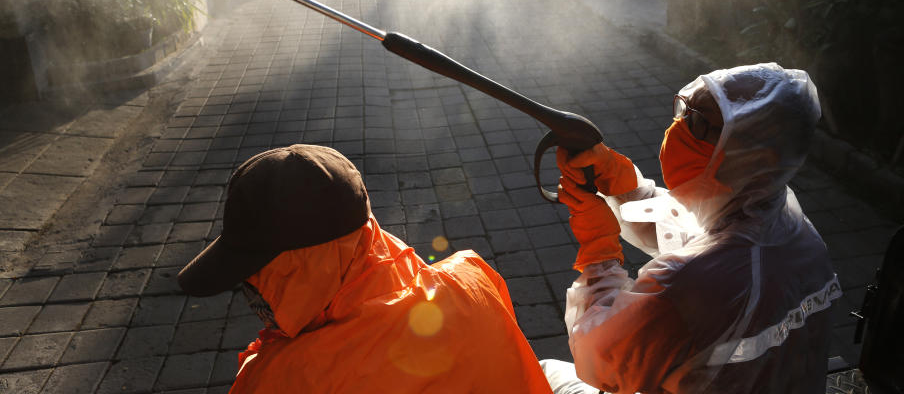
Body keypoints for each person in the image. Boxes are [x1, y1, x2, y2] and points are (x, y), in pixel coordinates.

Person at [541, 63, 840, 393]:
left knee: (540, 372)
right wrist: (624, 189)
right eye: (684, 111)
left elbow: (599, 360)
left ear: (751, 157)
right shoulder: (792, 228)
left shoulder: (686, 283)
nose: (677, 128)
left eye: (697, 123)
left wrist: (599, 252)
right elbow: (695, 233)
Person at [178, 144, 552, 393]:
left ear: (309, 265)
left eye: (256, 272)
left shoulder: (281, 378)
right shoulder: (472, 278)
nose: (247, 288)